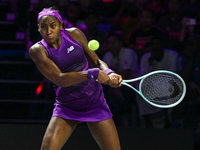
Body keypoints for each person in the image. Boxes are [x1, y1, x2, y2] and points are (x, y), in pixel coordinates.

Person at [29, 7, 122, 150]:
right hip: (67, 107)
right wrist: (92, 74)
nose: (48, 31)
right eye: (43, 27)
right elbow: (59, 79)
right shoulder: (38, 50)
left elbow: (96, 61)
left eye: (53, 26)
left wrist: (109, 73)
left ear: (61, 26)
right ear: (38, 29)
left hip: (94, 102)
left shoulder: (75, 34)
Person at [138, 37, 178, 128]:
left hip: (168, 87)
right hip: (150, 87)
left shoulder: (172, 56)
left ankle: (167, 121)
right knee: (140, 92)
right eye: (153, 45)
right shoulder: (145, 58)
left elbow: (172, 77)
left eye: (158, 44)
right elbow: (143, 78)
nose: (156, 47)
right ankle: (147, 122)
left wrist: (154, 66)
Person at [103, 32, 139, 126]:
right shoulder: (107, 56)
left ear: (120, 43)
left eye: (114, 42)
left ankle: (127, 123)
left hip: (131, 86)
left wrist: (117, 88)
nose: (111, 45)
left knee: (118, 94)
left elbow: (125, 74)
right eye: (109, 43)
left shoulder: (128, 53)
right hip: (114, 87)